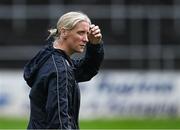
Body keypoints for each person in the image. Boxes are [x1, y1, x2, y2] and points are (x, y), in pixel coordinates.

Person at [23, 11, 104, 129]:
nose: (86, 39)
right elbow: (59, 120)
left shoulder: (50, 56)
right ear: (64, 32)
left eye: (87, 33)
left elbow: (85, 71)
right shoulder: (59, 69)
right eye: (81, 33)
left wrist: (95, 45)